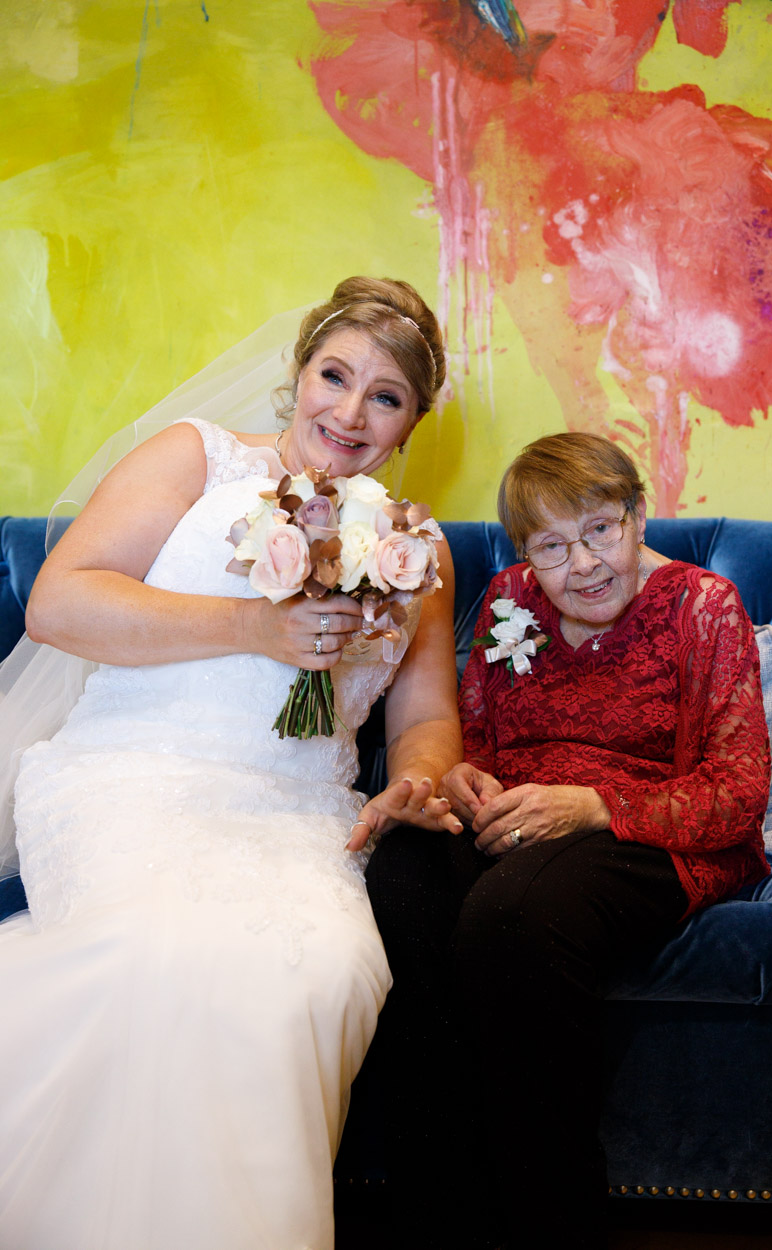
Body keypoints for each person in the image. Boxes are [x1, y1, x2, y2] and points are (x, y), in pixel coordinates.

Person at [0, 276, 464, 1250]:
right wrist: (254, 626)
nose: (349, 412)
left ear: (412, 421)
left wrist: (417, 777)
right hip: (128, 774)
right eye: (334, 375)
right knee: (158, 949)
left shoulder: (415, 547)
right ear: (298, 372)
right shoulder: (196, 457)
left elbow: (424, 714)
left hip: (298, 814)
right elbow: (57, 604)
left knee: (320, 970)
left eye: (383, 395)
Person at [366, 432, 771, 1250]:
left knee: (514, 915)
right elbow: (478, 737)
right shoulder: (508, 596)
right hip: (519, 817)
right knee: (401, 882)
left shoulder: (703, 605)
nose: (581, 564)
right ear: (525, 554)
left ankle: (555, 1224)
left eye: (599, 531)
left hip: (646, 829)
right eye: (550, 546)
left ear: (637, 516)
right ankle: (439, 1218)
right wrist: (466, 778)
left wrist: (591, 806)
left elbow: (736, 794)